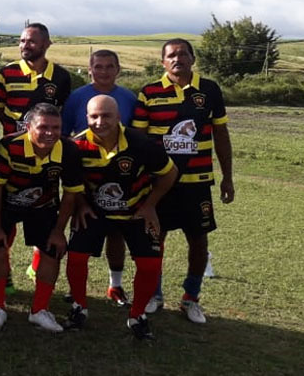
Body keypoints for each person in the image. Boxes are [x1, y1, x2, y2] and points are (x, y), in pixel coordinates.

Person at [131, 38, 234, 324]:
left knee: (198, 240)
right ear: (163, 62)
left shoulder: (209, 90)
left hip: (197, 182)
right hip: (158, 184)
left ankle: (191, 297)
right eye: (171, 55)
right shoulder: (149, 92)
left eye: (183, 54)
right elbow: (138, 141)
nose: (178, 59)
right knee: (154, 239)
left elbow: (221, 136)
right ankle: (154, 294)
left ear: (193, 58)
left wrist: (228, 177)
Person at [66, 95, 177, 340]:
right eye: (94, 116)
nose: (99, 121)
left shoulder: (140, 143)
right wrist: (82, 204)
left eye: (106, 115)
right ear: (87, 118)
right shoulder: (76, 146)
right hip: (96, 212)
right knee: (75, 256)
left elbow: (170, 173)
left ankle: (138, 315)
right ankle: (79, 307)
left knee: (150, 264)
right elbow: (71, 182)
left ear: (118, 117)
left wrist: (150, 206)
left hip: (135, 211)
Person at [0, 22, 73, 291]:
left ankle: (38, 267)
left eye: (32, 41)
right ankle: (7, 272)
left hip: (47, 154)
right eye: (22, 41)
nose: (26, 45)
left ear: (47, 44)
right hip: (13, 156)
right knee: (6, 217)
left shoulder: (60, 77)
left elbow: (62, 114)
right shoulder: (7, 73)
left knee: (44, 210)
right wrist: (15, 132)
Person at [0, 103, 83, 332]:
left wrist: (59, 231)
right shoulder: (9, 145)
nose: (50, 133)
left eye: (56, 127)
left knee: (53, 251)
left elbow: (70, 194)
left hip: (43, 206)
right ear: (28, 127)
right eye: (43, 127)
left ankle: (39, 310)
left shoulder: (68, 150)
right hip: (7, 206)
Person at [61, 49, 139, 306]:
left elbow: (136, 139)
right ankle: (75, 289)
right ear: (90, 69)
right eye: (98, 66)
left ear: (118, 69)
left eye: (109, 66)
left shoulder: (128, 98)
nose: (103, 71)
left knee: (116, 234)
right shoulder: (77, 97)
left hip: (119, 177)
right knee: (79, 228)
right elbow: (63, 135)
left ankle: (115, 285)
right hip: (83, 175)